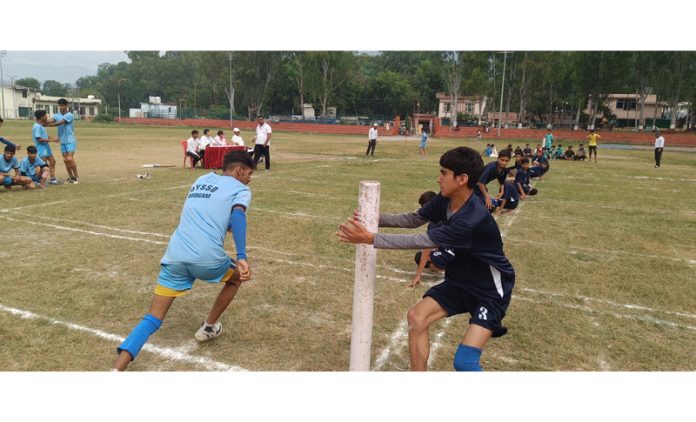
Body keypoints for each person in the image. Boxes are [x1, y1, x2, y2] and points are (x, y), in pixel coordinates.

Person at [337, 146, 515, 371]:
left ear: (462, 179)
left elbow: (421, 240)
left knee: (464, 362)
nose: (438, 178)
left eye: (444, 173)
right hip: (461, 282)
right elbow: (413, 219)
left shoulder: (471, 219)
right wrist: (374, 218)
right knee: (416, 317)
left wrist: (369, 237)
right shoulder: (445, 199)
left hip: (489, 291)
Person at [113, 150, 256, 371]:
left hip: (175, 255)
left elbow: (206, 209)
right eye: (249, 174)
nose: (249, 179)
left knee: (153, 317)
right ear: (239, 170)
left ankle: (117, 369)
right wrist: (242, 257)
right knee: (236, 279)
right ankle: (209, 327)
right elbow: (238, 216)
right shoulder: (242, 189)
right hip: (206, 258)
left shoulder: (201, 179)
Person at [45, 98, 79, 184]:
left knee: (69, 158)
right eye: (59, 106)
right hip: (62, 141)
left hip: (70, 140)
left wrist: (48, 125)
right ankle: (70, 177)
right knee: (65, 160)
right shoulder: (57, 115)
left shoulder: (69, 115)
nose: (60, 107)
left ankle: (76, 177)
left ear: (66, 106)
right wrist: (42, 121)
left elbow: (61, 123)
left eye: (62, 105)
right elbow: (51, 120)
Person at [32, 110, 60, 185]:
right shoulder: (37, 127)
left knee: (52, 162)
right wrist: (51, 140)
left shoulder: (41, 125)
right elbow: (38, 139)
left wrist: (55, 139)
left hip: (46, 147)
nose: (47, 117)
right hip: (41, 147)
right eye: (45, 115)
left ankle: (53, 179)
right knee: (43, 165)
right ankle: (39, 180)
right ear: (41, 117)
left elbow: (45, 136)